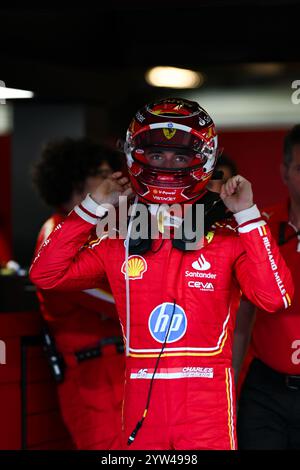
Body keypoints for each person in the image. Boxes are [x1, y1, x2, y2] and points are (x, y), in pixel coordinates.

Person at [30, 98, 294, 450]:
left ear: (203, 160)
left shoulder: (229, 238)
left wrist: (247, 215)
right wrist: (92, 208)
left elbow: (275, 298)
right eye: (157, 155)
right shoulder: (118, 240)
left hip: (206, 409)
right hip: (141, 404)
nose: (168, 165)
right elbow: (46, 275)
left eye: (180, 156)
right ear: (136, 156)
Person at [31, 137, 125, 450]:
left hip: (124, 368)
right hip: (91, 379)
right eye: (100, 173)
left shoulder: (106, 231)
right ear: (75, 181)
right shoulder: (55, 230)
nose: (110, 178)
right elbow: (114, 300)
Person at [236, 124, 300, 449]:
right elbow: (240, 322)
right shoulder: (259, 228)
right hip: (266, 392)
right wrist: (227, 393)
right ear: (285, 171)